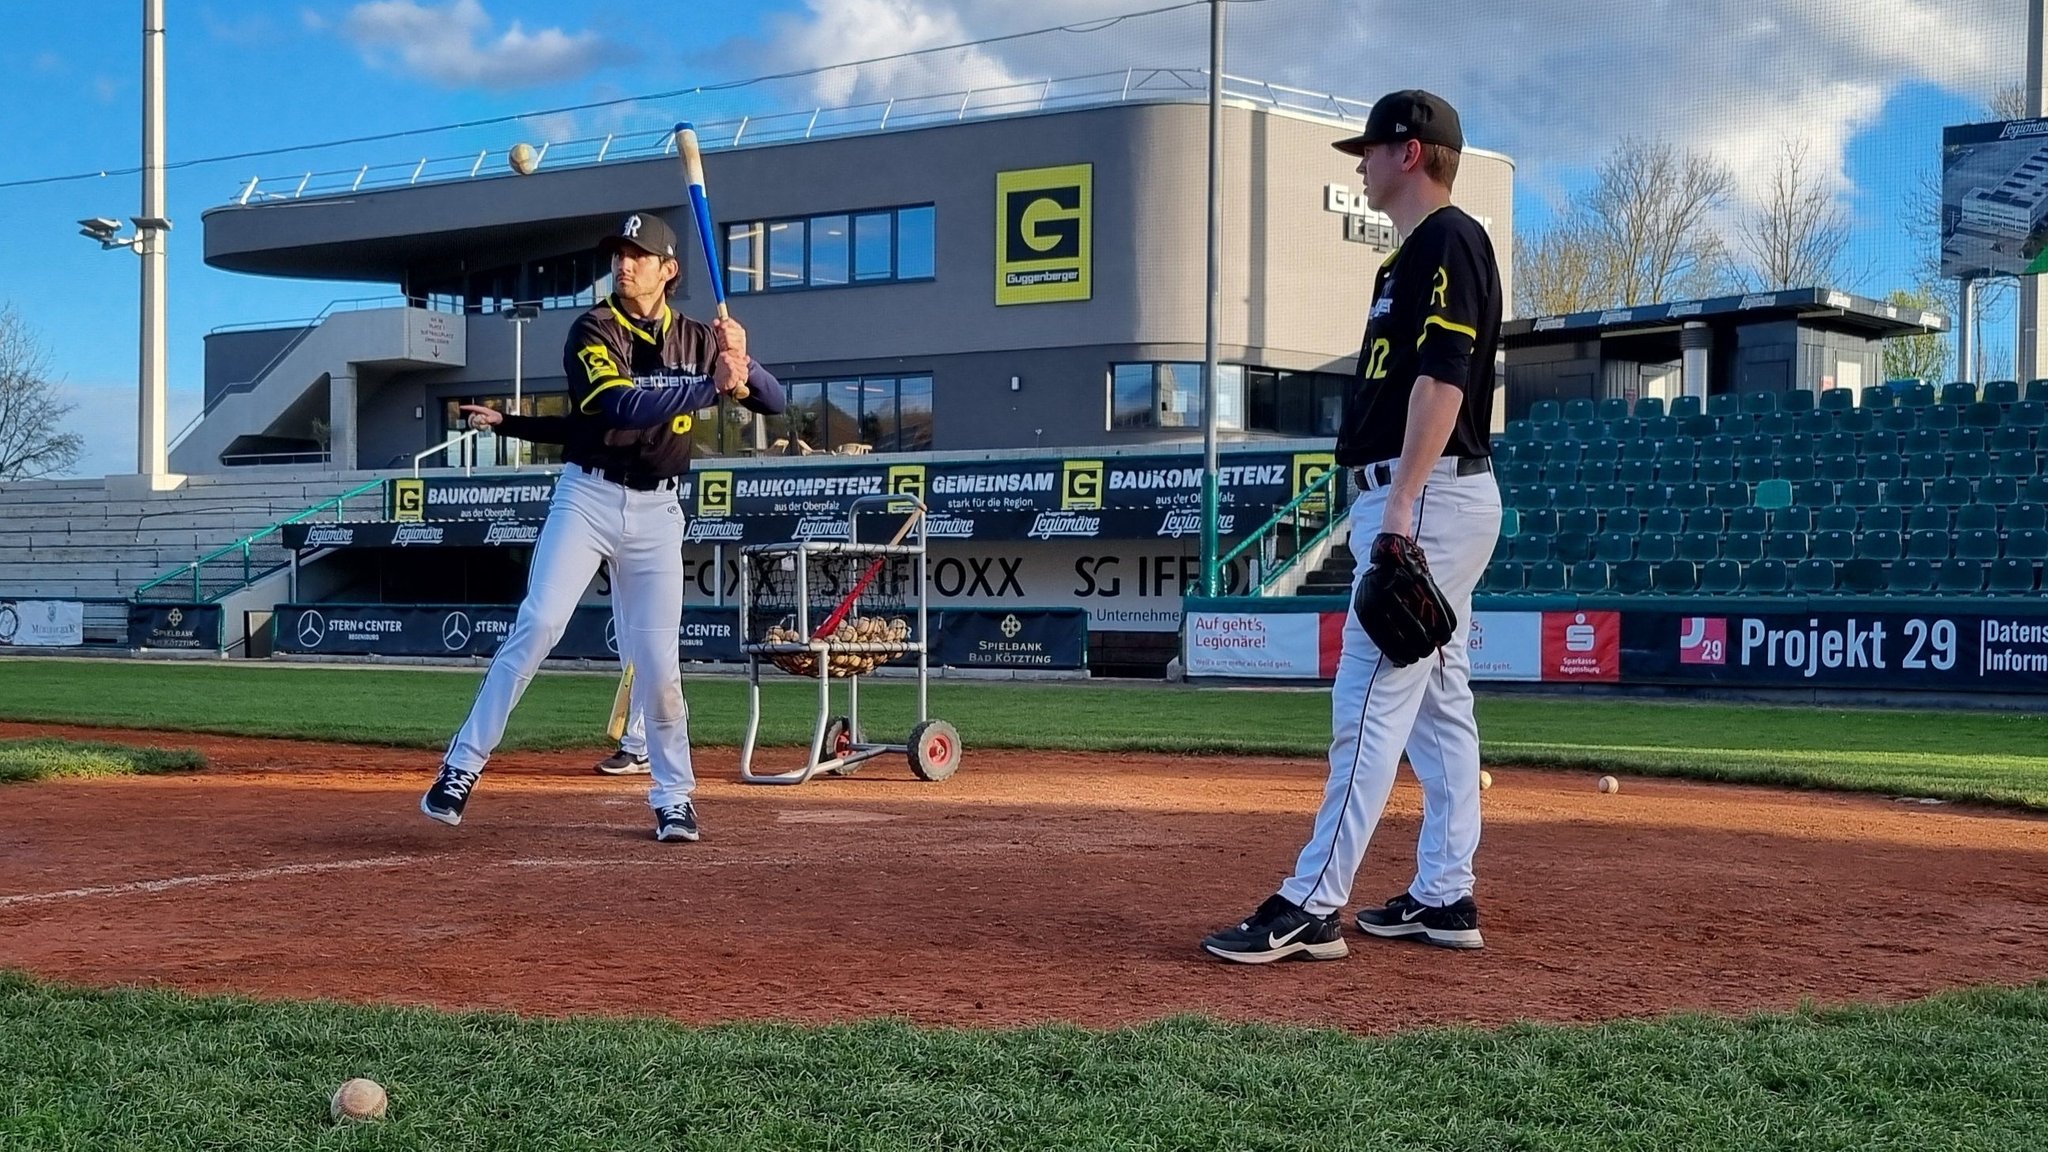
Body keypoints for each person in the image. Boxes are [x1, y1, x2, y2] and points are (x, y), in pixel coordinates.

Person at [1202, 91, 1504, 962]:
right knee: (1441, 707)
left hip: (1430, 496)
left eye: (1370, 149)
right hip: (1424, 492)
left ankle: (1311, 903)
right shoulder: (1405, 260)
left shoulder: (1451, 238)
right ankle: (1447, 895)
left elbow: (1443, 379)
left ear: (1411, 152)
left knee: (1368, 698)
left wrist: (1402, 504)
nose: (1360, 162)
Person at [422, 210, 786, 841]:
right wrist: (710, 387)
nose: (624, 262)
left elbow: (776, 402)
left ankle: (674, 797)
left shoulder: (701, 338)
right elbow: (621, 406)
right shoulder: (593, 326)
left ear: (668, 270)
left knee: (658, 663)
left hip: (659, 513)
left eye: (639, 254)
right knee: (538, 624)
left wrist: (743, 362)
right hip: (587, 499)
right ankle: (461, 766)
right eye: (620, 252)